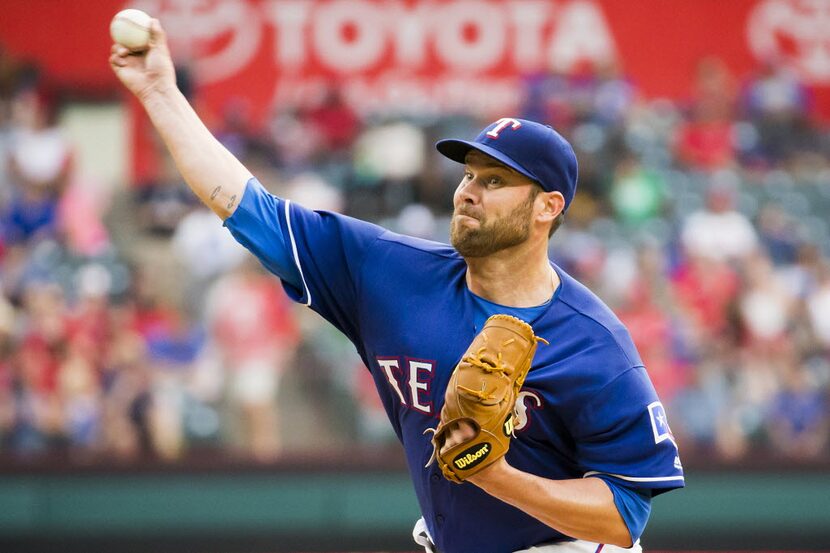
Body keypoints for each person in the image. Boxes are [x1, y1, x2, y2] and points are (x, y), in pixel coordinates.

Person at [110, 20, 684, 553]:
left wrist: (497, 478)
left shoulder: (594, 343)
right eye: (466, 175)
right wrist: (161, 93)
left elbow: (625, 510)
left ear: (547, 207)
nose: (467, 191)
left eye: (495, 180)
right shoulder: (389, 273)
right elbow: (248, 209)